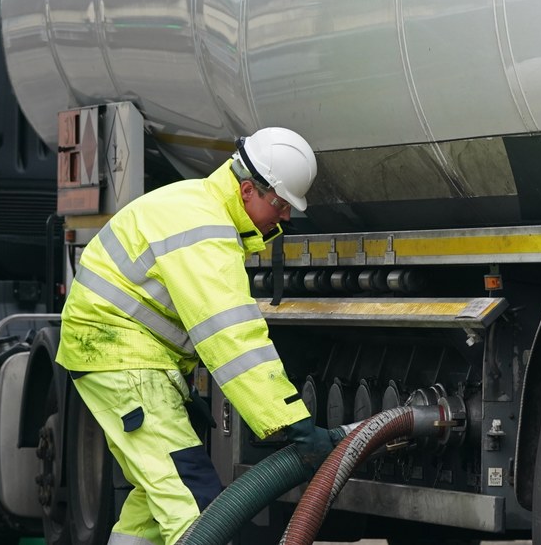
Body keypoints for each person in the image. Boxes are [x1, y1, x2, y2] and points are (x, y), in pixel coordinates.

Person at [56, 127, 334, 544]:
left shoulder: (198, 207)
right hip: (123, 360)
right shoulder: (204, 229)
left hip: (121, 357)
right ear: (246, 191)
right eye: (279, 203)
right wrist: (292, 421)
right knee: (195, 507)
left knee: (151, 509)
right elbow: (233, 338)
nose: (286, 216)